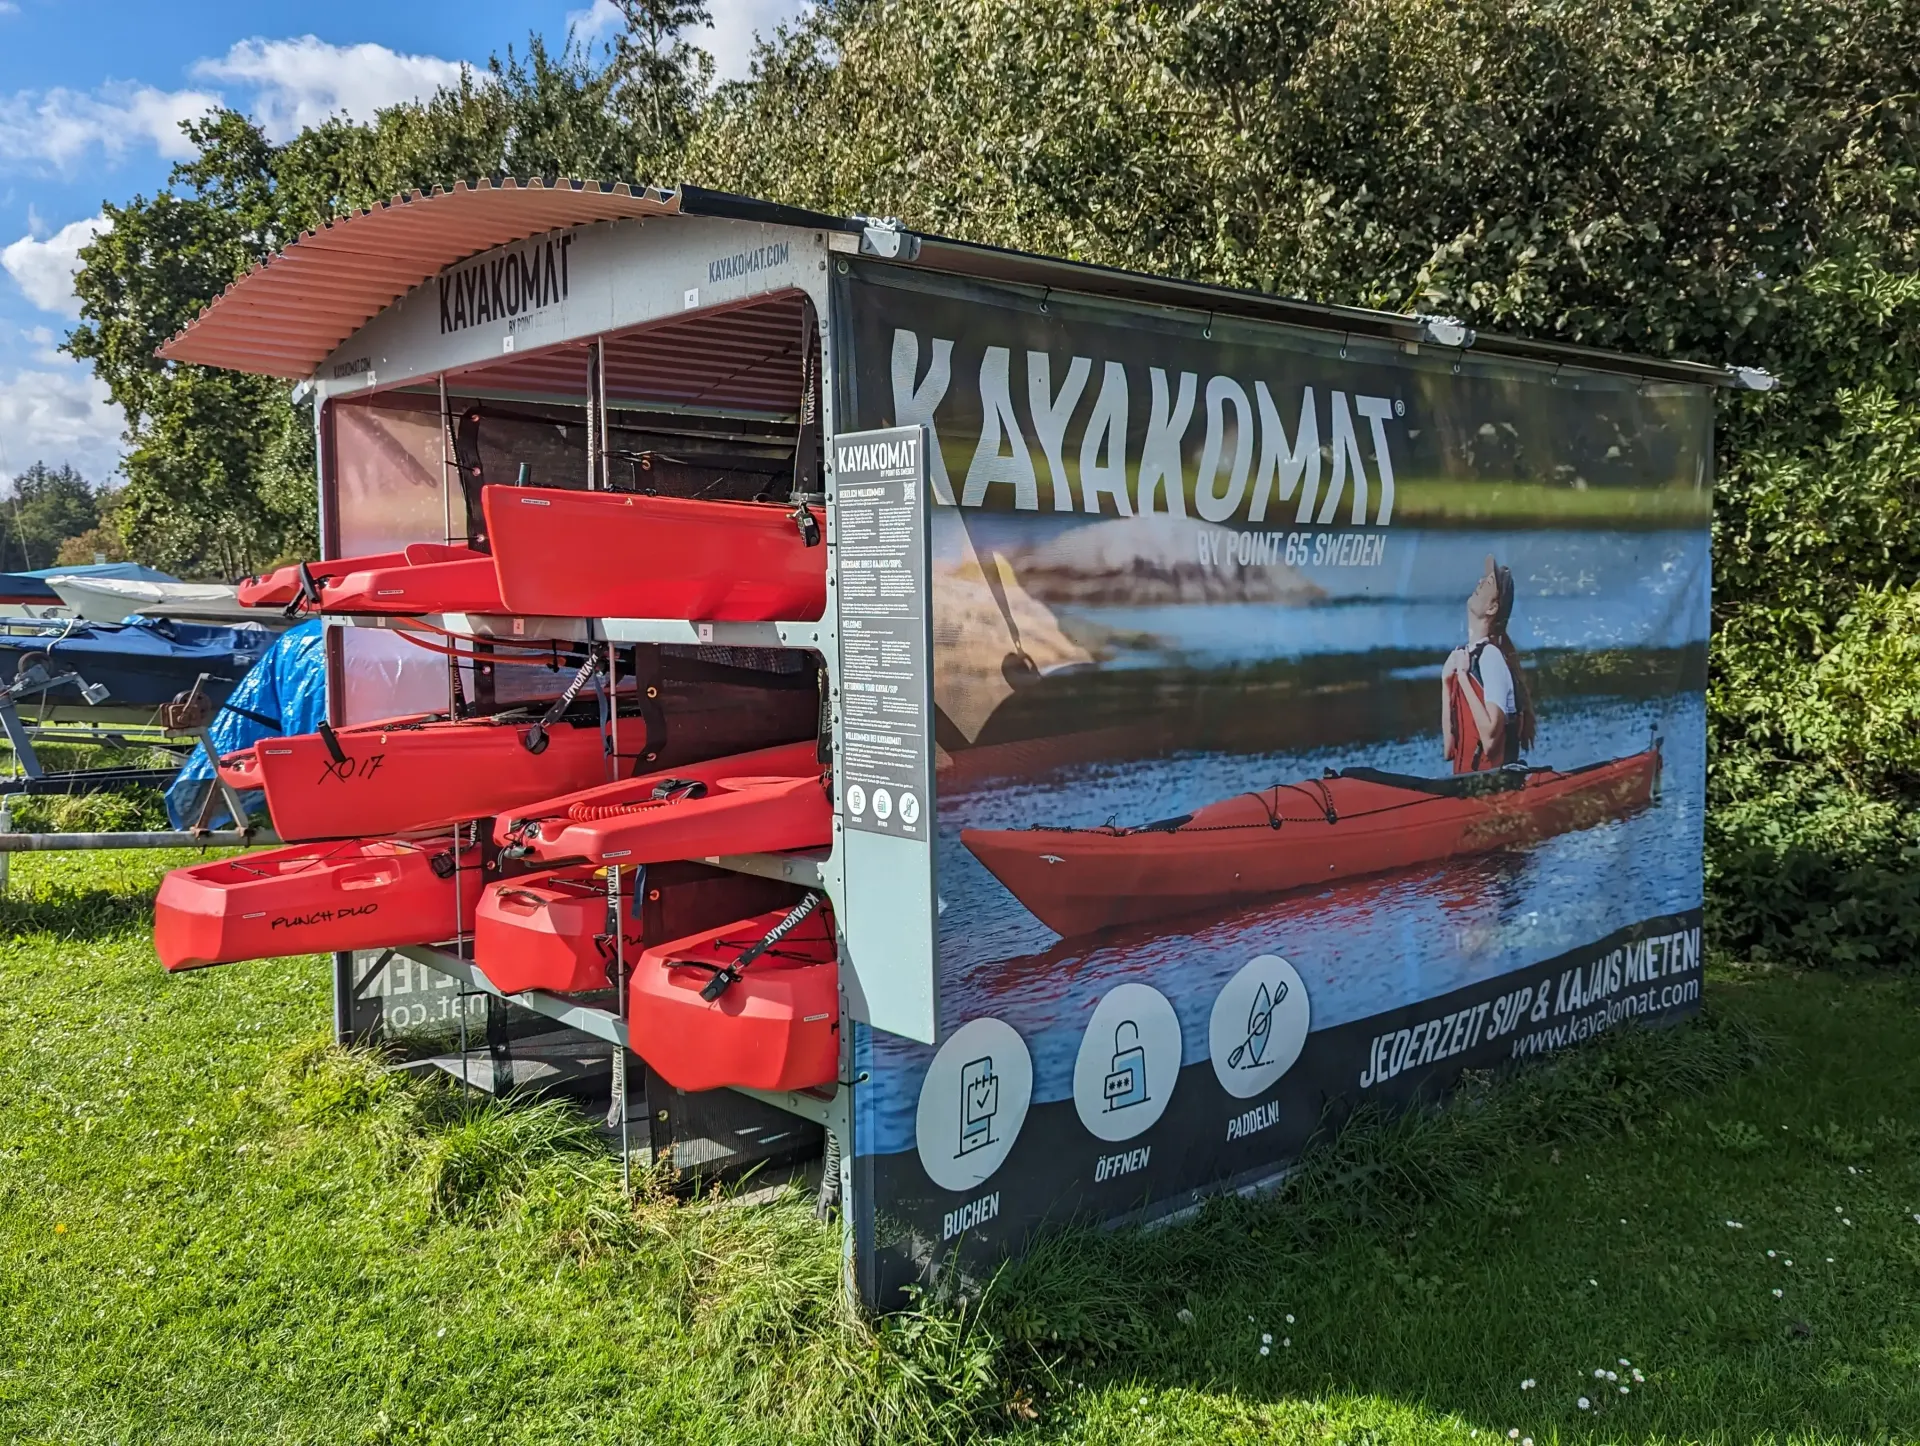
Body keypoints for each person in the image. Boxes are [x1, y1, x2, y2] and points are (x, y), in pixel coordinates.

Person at [1441, 556, 1536, 773]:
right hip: (1466, 784)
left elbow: (1491, 742)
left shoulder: (1490, 656)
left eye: (1488, 583)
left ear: (1492, 607)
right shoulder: (1466, 657)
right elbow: (1449, 751)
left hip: (1494, 783)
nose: (1479, 583)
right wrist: (1446, 684)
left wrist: (1463, 678)